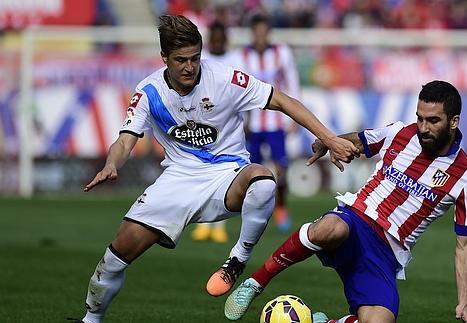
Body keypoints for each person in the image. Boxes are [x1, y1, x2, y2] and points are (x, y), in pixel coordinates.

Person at [71, 15, 358, 323]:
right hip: (177, 181)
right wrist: (112, 164)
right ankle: (91, 319)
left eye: (195, 58)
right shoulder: (148, 92)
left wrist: (328, 137)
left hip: (227, 175)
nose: (189, 67)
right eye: (180, 60)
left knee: (263, 181)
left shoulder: (225, 79)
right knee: (116, 257)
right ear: (164, 58)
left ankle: (237, 261)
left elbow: (283, 101)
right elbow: (126, 140)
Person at [225, 80, 467, 323]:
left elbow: (466, 245)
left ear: (454, 121)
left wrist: (463, 302)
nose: (423, 128)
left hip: (387, 252)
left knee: (380, 320)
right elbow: (360, 140)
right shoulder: (400, 133)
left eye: (433, 120)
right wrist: (330, 142)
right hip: (356, 219)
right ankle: (255, 283)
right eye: (420, 118)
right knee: (328, 228)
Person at [241, 13, 301, 232]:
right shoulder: (243, 56)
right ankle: (255, 212)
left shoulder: (281, 52)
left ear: (268, 33)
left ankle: (282, 207)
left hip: (276, 122)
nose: (260, 35)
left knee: (281, 167)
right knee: (252, 170)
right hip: (253, 124)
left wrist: (294, 115)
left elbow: (291, 82)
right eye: (256, 31)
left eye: (263, 31)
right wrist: (243, 118)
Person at [190, 20, 243, 244]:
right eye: (214, 38)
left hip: (228, 124)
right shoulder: (200, 60)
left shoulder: (235, 60)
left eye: (221, 38)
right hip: (204, 123)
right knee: (202, 172)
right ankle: (205, 224)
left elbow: (242, 93)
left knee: (225, 173)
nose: (218, 42)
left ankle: (219, 225)